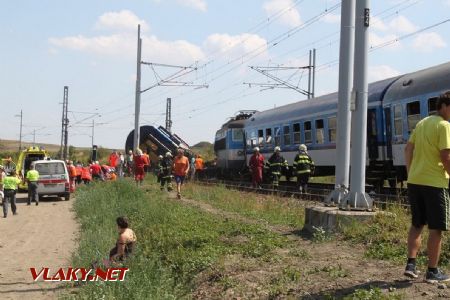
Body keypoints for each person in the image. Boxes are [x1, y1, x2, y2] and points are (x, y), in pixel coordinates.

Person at [403, 91, 450, 283]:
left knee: (417, 224)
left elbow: (407, 149)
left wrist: (411, 173)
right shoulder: (444, 126)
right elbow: (446, 156)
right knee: (436, 229)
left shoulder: (423, 123)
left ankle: (411, 264)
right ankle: (432, 271)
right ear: (446, 106)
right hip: (435, 183)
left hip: (415, 181)